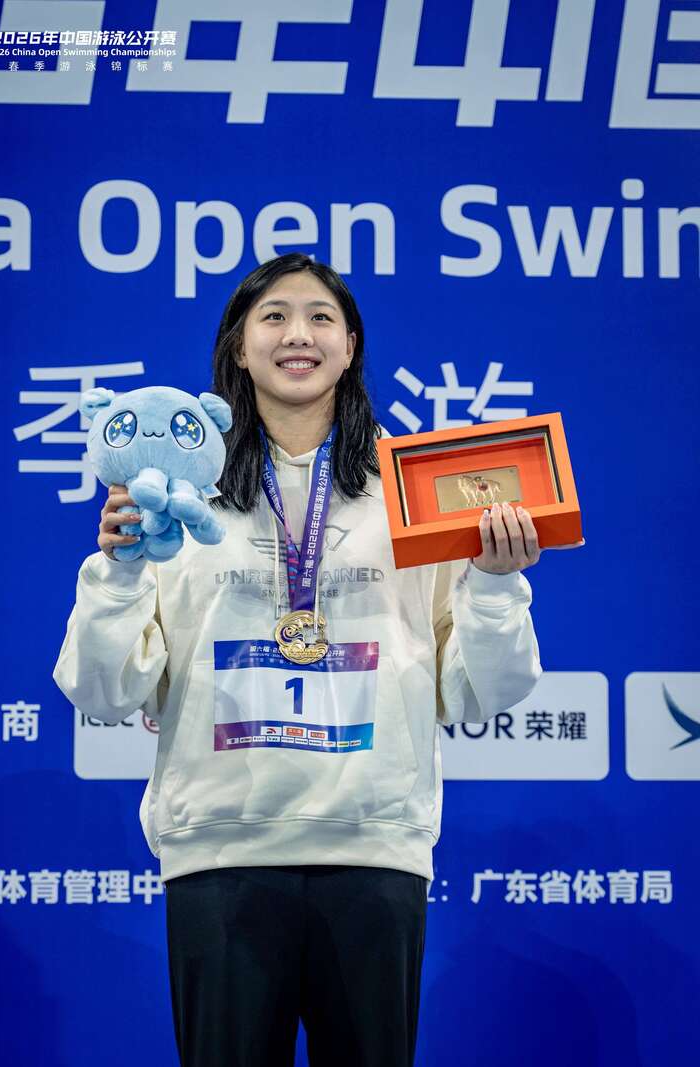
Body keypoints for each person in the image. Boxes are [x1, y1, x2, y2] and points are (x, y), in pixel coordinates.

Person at [53, 252, 583, 1067]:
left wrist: (494, 581)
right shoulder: (177, 495)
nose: (297, 333)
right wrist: (118, 570)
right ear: (238, 347)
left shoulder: (414, 491)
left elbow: (483, 691)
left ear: (350, 346)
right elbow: (102, 688)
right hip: (222, 850)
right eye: (273, 316)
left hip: (374, 849)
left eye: (320, 317)